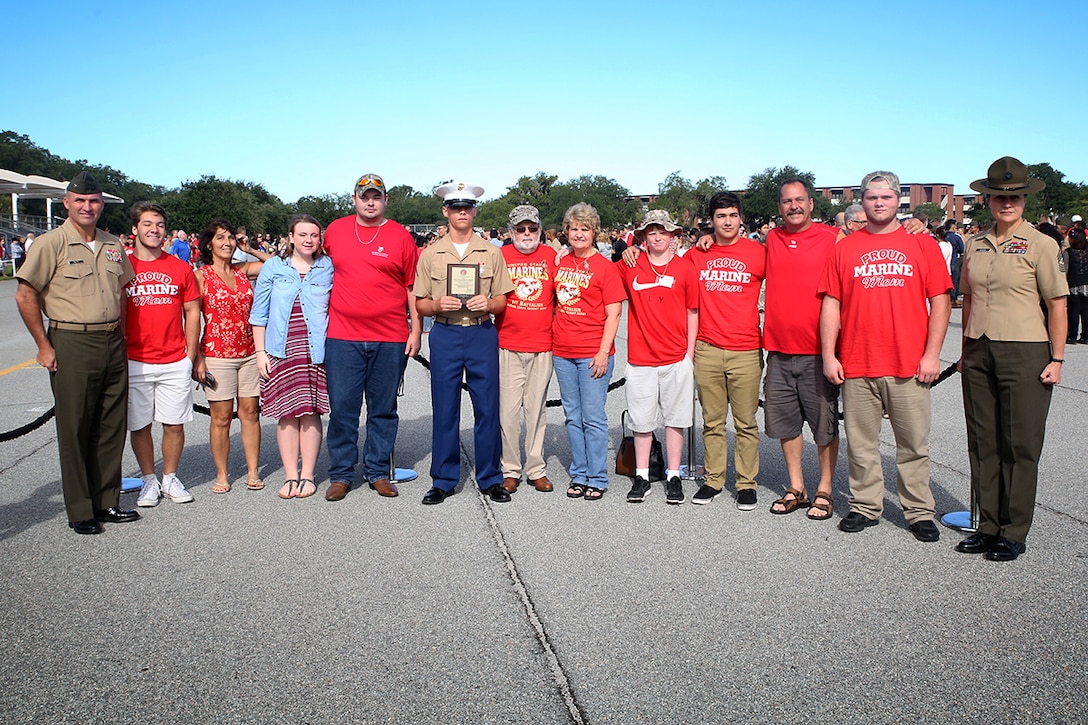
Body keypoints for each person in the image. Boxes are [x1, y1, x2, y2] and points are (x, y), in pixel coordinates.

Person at [819, 171, 952, 541]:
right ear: (862, 201)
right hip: (858, 361)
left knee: (912, 444)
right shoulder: (844, 248)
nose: (879, 203)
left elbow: (941, 299)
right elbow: (832, 303)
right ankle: (865, 505)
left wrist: (932, 354)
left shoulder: (921, 245)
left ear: (898, 201)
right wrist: (829, 355)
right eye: (872, 197)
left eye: (886, 197)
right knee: (861, 444)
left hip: (909, 361)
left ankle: (919, 511)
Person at [956, 156, 1068, 561]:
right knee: (983, 440)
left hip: (1025, 349)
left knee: (1019, 443)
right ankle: (987, 525)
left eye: (1015, 196)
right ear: (987, 200)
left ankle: (1013, 529)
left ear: (1024, 199)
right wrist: (966, 350)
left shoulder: (1042, 243)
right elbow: (968, 298)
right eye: (999, 197)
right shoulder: (975, 243)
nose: (1007, 203)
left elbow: (1057, 305)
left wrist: (1057, 358)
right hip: (980, 348)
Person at [15, 171, 138, 534]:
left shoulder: (113, 244)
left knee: (111, 425)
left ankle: (107, 501)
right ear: (67, 202)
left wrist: (123, 336)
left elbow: (123, 293)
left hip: (112, 340)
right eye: (80, 200)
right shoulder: (50, 243)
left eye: (94, 200)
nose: (88, 206)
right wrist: (43, 345)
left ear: (101, 204)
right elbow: (25, 295)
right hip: (72, 340)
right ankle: (81, 508)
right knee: (75, 427)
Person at [413, 182, 514, 505]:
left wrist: (489, 304)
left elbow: (502, 299)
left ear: (474, 211)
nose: (462, 213)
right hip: (445, 333)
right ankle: (443, 479)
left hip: (481, 332)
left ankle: (490, 477)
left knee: (487, 408)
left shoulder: (491, 252)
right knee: (445, 408)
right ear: (445, 211)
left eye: (467, 207)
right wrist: (436, 306)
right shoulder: (431, 254)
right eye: (455, 207)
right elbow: (420, 303)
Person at [322, 174, 421, 501]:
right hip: (343, 335)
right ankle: (341, 473)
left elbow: (412, 288)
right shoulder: (335, 230)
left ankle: (378, 470)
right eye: (365, 196)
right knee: (343, 409)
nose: (370, 202)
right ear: (354, 199)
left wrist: (416, 330)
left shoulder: (400, 236)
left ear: (385, 200)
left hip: (390, 336)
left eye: (376, 197)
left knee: (383, 408)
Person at [763, 179, 841, 518]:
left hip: (817, 351)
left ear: (811, 203)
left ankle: (825, 488)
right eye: (786, 201)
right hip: (779, 350)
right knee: (786, 424)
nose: (793, 206)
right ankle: (797, 485)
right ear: (779, 207)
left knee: (823, 425)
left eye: (799, 200)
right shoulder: (771, 238)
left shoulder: (833, 239)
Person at [685, 192, 766, 509]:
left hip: (745, 348)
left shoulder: (758, 253)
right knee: (713, 422)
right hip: (707, 347)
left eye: (732, 215)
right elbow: (666, 266)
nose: (727, 221)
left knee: (746, 422)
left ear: (740, 217)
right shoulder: (697, 254)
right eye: (721, 216)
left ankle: (746, 483)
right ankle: (714, 478)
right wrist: (632, 251)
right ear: (712, 220)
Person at [616, 209, 698, 504]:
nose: (658, 237)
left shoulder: (685, 268)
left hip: (676, 356)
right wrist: (563, 251)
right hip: (641, 357)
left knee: (675, 419)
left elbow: (692, 312)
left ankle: (674, 474)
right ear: (644, 237)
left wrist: (688, 354)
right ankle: (641, 475)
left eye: (663, 232)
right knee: (642, 420)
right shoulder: (631, 265)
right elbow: (598, 271)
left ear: (673, 236)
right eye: (652, 232)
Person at [123, 202, 201, 508]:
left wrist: (190, 354)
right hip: (135, 358)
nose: (154, 230)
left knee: (174, 423)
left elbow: (192, 313)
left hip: (173, 357)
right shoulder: (123, 266)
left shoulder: (180, 268)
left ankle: (169, 477)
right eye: (147, 224)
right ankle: (148, 480)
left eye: (158, 224)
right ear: (135, 230)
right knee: (140, 424)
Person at [250, 215, 334, 500]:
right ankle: (290, 475)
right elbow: (259, 313)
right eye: (303, 234)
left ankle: (308, 474)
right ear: (291, 237)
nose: (309, 240)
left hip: (315, 350)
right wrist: (260, 352)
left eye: (314, 235)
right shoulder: (273, 267)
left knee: (310, 412)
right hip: (280, 350)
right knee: (287, 414)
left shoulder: (327, 268)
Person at [552, 203, 625, 501]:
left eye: (585, 229)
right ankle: (579, 472)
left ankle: (597, 476)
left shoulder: (605, 268)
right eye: (574, 228)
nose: (579, 234)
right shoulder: (560, 262)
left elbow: (614, 314)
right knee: (572, 415)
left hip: (593, 351)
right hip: (562, 351)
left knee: (593, 416)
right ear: (566, 231)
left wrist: (602, 351)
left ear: (594, 232)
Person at [192, 219, 265, 494]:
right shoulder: (200, 276)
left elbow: (275, 263)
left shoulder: (244, 270)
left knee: (250, 413)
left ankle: (253, 471)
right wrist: (196, 358)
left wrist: (252, 248)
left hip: (248, 352)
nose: (228, 243)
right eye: (221, 238)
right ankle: (222, 474)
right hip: (216, 354)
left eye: (231, 238)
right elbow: (190, 319)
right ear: (209, 243)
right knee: (221, 417)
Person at [495, 205, 557, 494]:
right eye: (521, 229)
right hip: (507, 343)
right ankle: (510, 468)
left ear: (540, 230)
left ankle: (535, 468)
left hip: (542, 344)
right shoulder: (500, 256)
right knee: (507, 412)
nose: (527, 234)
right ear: (511, 232)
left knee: (536, 411)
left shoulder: (553, 256)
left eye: (532, 228)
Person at [1063, 228, 1088, 344]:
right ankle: (1085, 336)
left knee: (1074, 311)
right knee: (1086, 311)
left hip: (1073, 283)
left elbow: (1064, 269)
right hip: (1086, 283)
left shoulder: (1068, 252)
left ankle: (1072, 335)